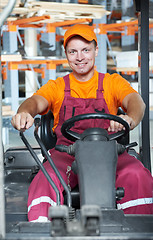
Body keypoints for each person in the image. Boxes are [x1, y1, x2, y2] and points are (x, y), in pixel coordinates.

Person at [11, 24, 153, 222]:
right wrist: (24, 112)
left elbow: (136, 101)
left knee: (136, 174)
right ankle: (41, 227)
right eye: (73, 52)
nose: (80, 57)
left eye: (86, 50)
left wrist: (130, 118)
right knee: (46, 178)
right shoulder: (57, 87)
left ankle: (138, 226)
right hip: (68, 153)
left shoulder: (112, 83)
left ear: (96, 50)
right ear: (66, 55)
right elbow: (35, 102)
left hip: (111, 151)